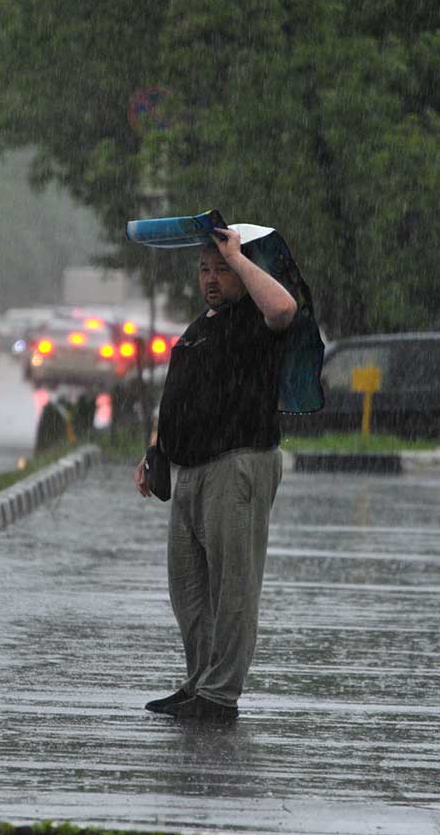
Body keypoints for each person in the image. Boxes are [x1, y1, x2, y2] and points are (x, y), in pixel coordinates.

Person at [134, 226, 298, 722]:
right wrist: (155, 451)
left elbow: (285, 310)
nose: (211, 278)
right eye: (205, 268)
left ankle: (221, 694)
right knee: (188, 589)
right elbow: (182, 394)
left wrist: (241, 260)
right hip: (191, 469)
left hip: (237, 464)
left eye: (221, 269)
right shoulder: (200, 326)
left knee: (233, 588)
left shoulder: (255, 318)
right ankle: (198, 682)